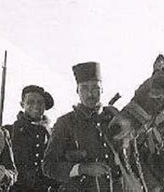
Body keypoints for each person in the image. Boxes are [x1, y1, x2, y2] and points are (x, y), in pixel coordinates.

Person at [43, 62, 122, 191]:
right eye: (84, 88)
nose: (90, 94)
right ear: (77, 91)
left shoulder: (114, 118)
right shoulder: (65, 123)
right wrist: (82, 169)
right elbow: (48, 166)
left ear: (102, 89)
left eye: (95, 88)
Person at [5, 85, 59, 191]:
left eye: (40, 102)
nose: (36, 106)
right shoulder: (8, 132)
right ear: (22, 104)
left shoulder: (54, 135)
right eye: (30, 102)